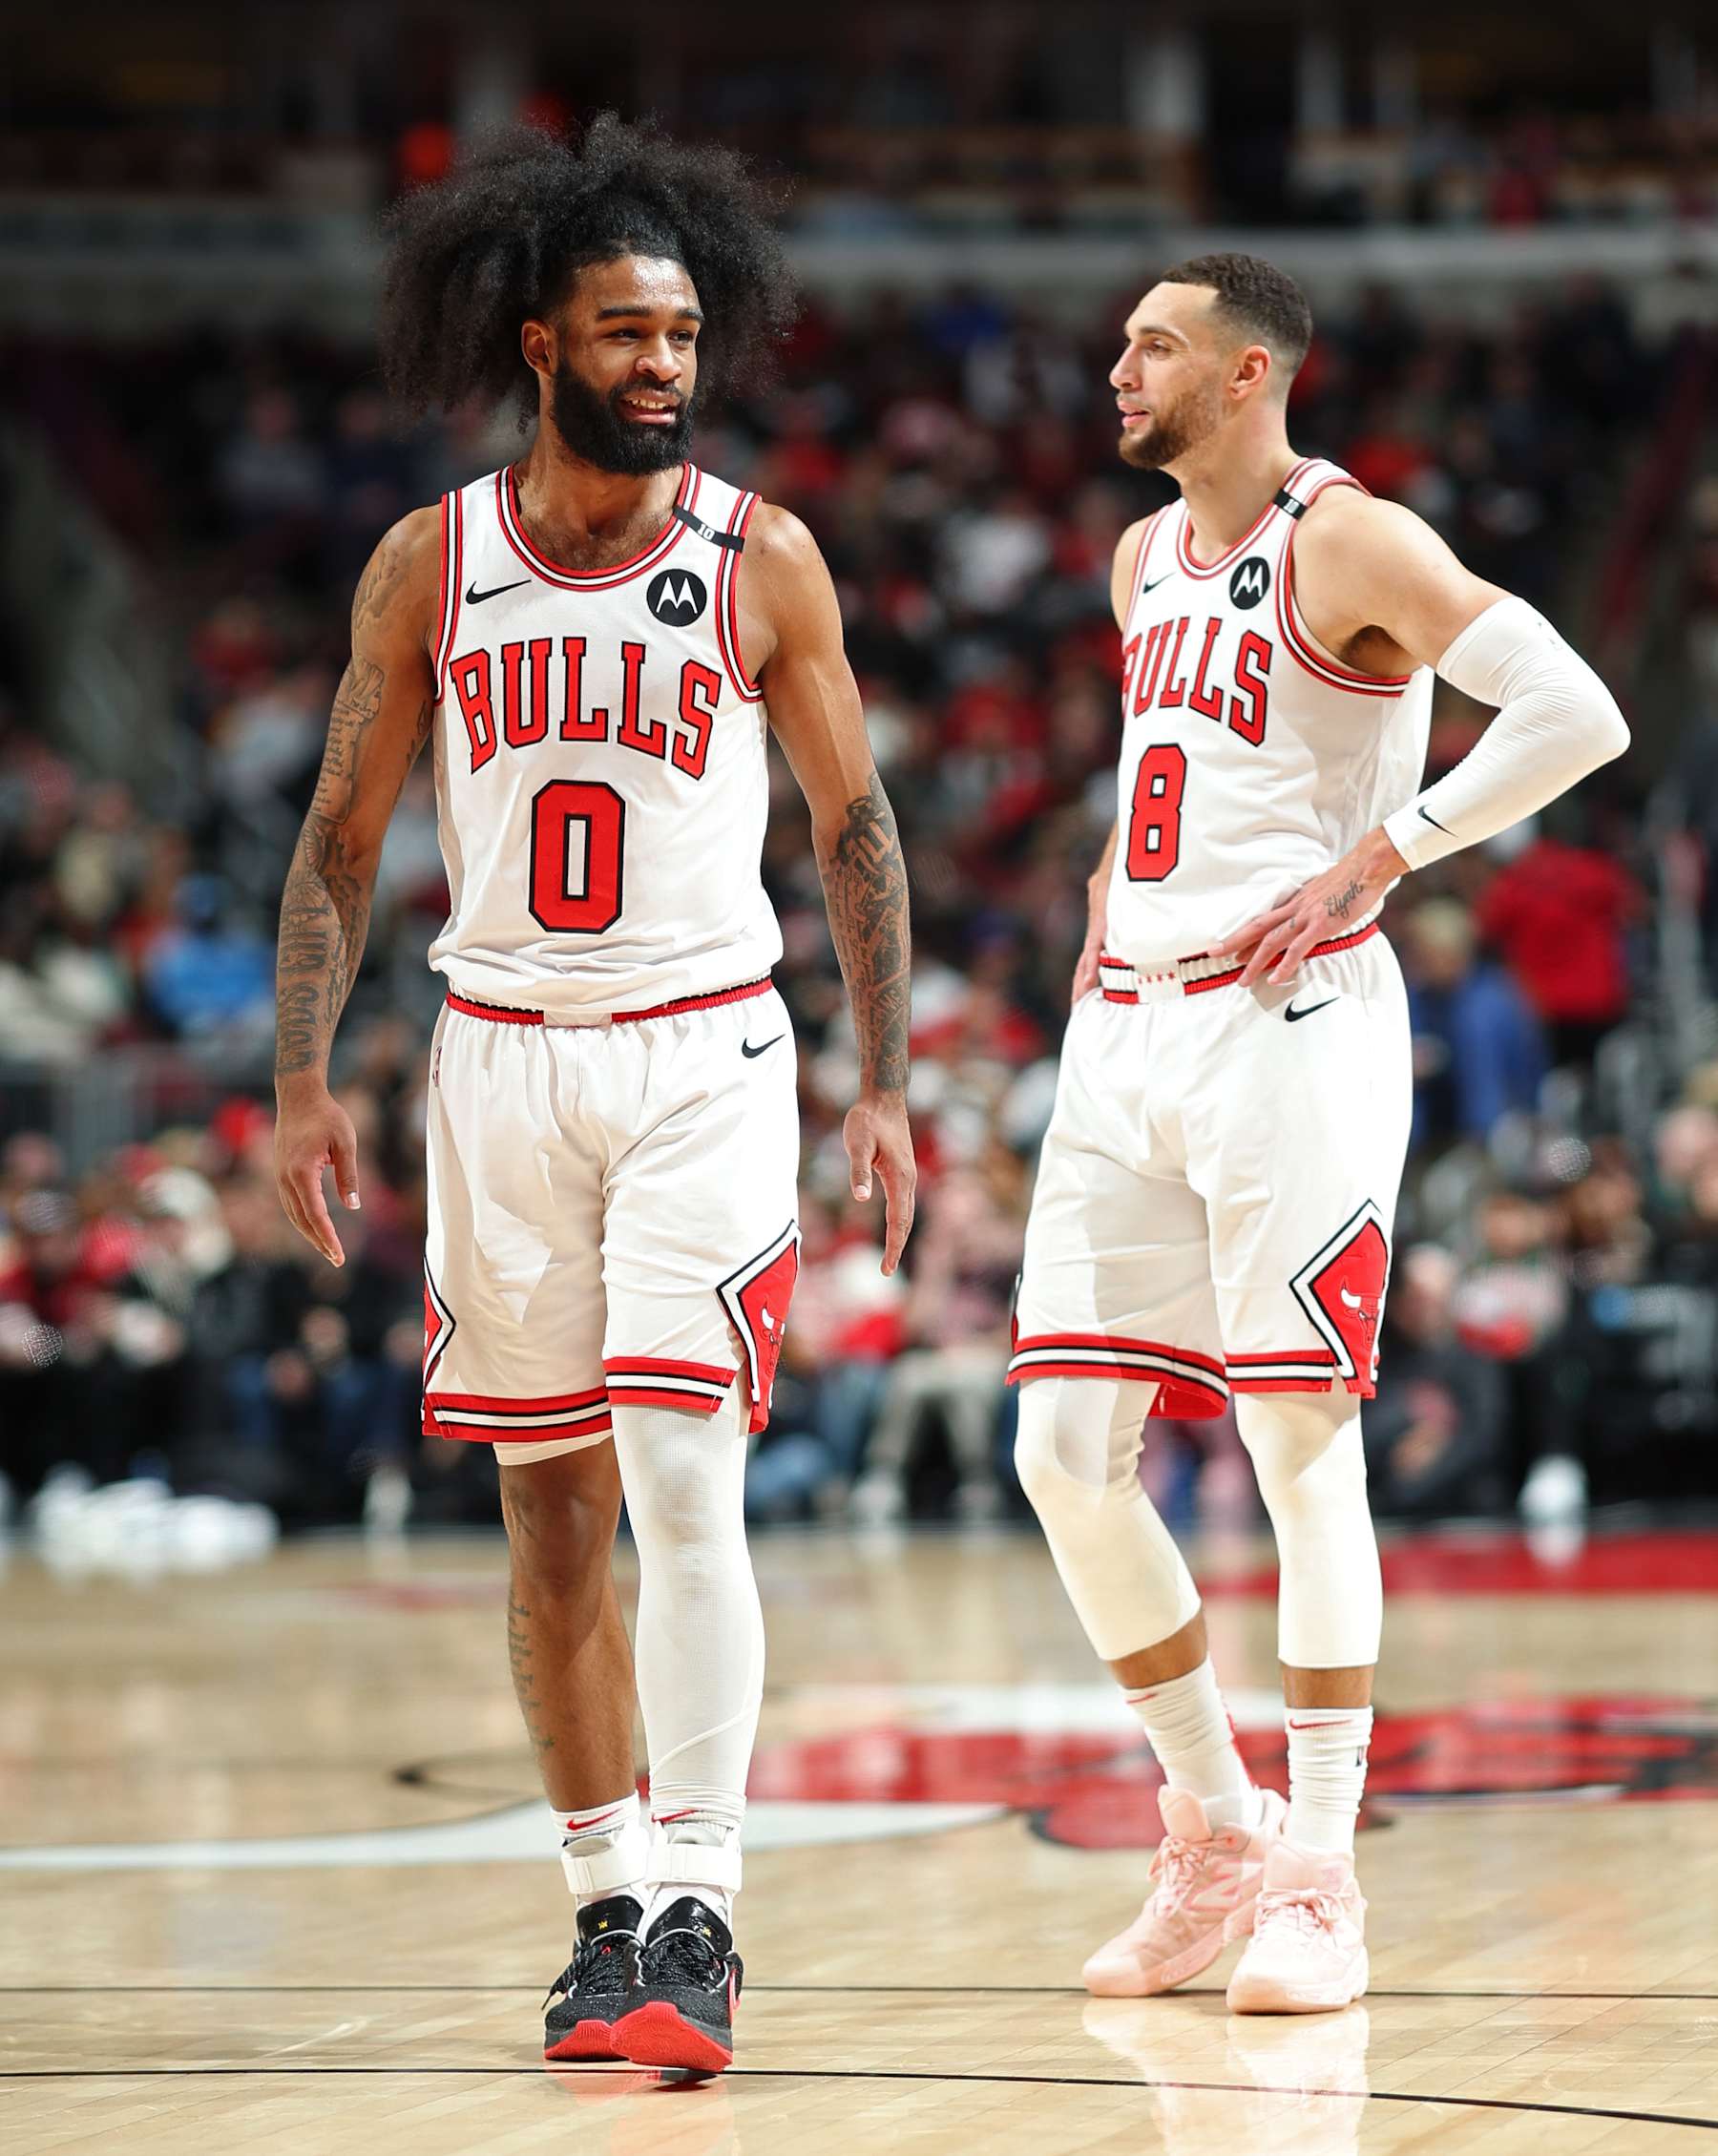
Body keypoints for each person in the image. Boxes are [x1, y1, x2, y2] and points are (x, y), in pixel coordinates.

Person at [270, 116, 915, 2075]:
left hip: (703, 1052)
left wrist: (880, 1077)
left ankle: (705, 1906)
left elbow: (857, 826)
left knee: (682, 1479)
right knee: (546, 1519)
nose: (666, 366)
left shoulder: (759, 556)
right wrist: (301, 1072)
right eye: (628, 333)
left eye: (687, 335)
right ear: (540, 345)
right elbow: (336, 836)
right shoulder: (432, 562)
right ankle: (604, 1904)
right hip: (494, 1063)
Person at [1009, 253, 1626, 2014]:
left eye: (1154, 346)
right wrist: (1094, 963)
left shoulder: (1353, 542)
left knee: (1296, 1450)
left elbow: (1579, 710)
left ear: (1252, 371)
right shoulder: (1141, 557)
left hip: (1295, 1028)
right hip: (1127, 1028)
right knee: (1065, 1454)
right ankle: (1217, 1827)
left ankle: (1324, 1877)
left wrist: (1387, 854)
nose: (1117, 367)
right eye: (1120, 337)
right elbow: (1163, 795)